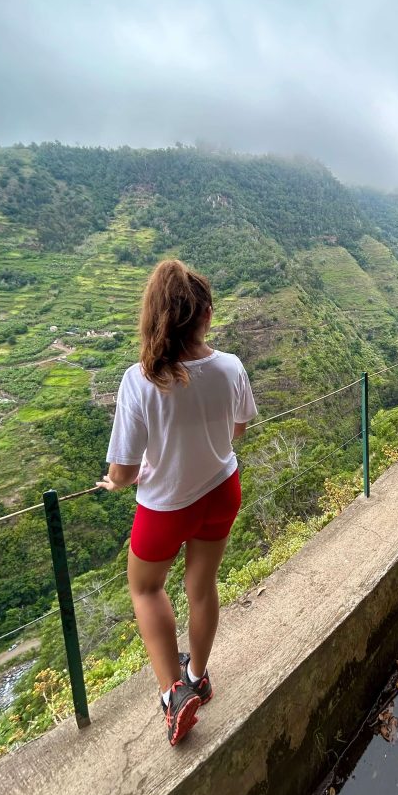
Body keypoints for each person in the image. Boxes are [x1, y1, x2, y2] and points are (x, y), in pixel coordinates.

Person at [96, 259, 257, 746]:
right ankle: (200, 676)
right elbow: (239, 429)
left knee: (146, 589)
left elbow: (123, 472)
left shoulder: (139, 380)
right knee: (201, 585)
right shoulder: (228, 367)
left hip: (166, 505)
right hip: (221, 489)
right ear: (205, 314)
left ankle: (173, 693)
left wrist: (114, 483)